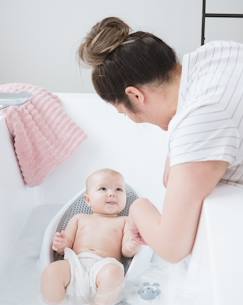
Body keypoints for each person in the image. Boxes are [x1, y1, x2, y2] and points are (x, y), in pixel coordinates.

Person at [78, 17, 243, 263]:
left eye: (126, 113)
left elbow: (172, 247)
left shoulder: (202, 120)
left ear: (135, 95)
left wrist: (136, 207)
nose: (136, 120)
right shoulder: (215, 54)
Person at [41, 168, 142, 305]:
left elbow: (126, 251)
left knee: (114, 273)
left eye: (119, 189)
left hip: (103, 267)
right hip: (75, 265)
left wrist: (132, 246)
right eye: (103, 189)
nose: (112, 193)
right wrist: (60, 244)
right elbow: (65, 247)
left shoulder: (125, 221)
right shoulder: (79, 218)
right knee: (52, 271)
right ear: (88, 200)